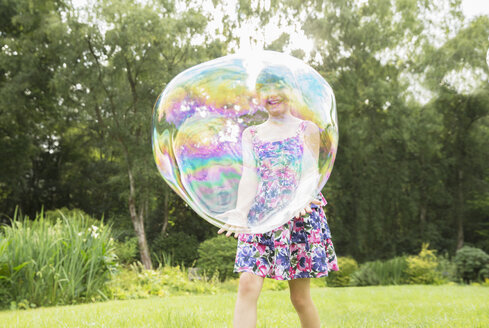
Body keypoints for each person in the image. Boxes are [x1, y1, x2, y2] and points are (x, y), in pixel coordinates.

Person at [218, 65, 339, 328]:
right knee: (247, 285)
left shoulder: (307, 129)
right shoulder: (252, 134)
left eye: (278, 87)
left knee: (300, 298)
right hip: (261, 215)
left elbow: (309, 173)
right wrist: (240, 212)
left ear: (291, 91)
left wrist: (303, 198)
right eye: (265, 90)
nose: (271, 95)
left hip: (299, 213)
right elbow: (249, 177)